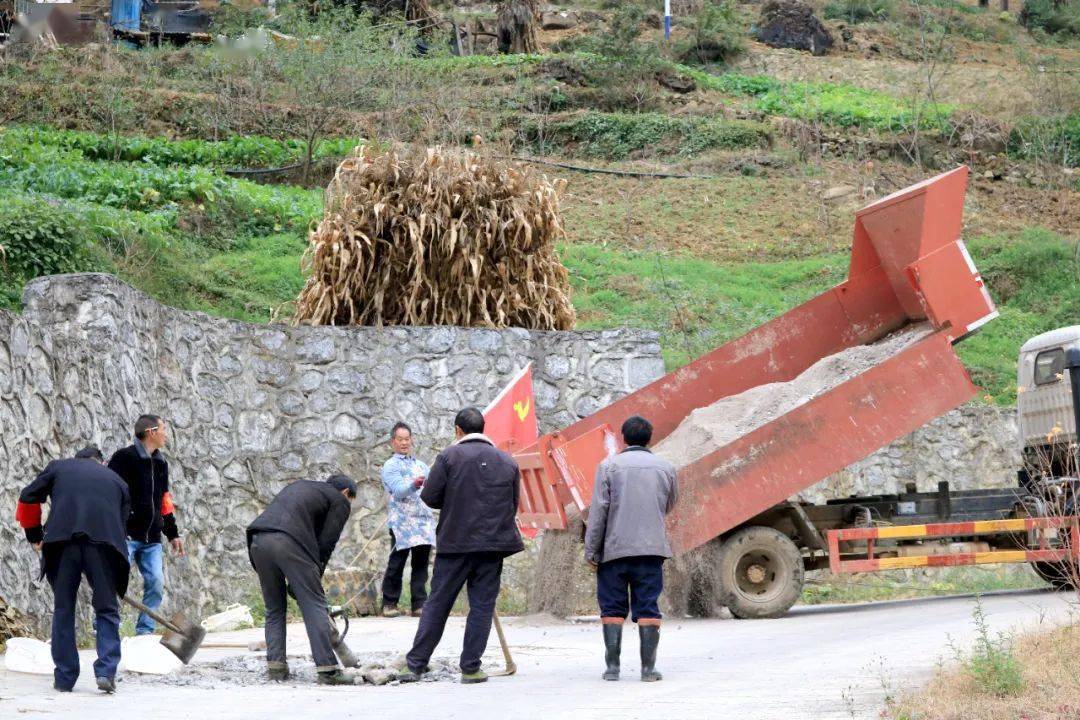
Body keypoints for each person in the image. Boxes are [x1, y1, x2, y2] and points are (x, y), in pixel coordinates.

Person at [398, 407, 524, 685]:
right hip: (492, 547)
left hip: (455, 544)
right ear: (484, 428)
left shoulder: (448, 457)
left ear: (458, 430)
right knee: (481, 606)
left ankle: (415, 665)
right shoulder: (507, 461)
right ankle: (471, 668)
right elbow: (513, 504)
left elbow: (430, 498)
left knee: (438, 603)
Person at [15, 446, 131, 694]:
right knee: (107, 608)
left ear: (76, 460)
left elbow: (27, 497)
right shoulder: (116, 480)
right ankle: (106, 671)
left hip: (62, 543)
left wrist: (34, 534)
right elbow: (121, 528)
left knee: (64, 608)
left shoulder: (59, 467)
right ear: (101, 462)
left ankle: (65, 678)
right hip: (103, 544)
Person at [584, 415, 678, 683]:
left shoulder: (608, 467)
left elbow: (598, 512)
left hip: (614, 550)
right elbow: (669, 503)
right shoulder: (665, 467)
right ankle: (648, 670)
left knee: (612, 607)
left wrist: (592, 550)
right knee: (648, 606)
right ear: (650, 438)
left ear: (623, 438)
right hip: (651, 550)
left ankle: (612, 668)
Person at [246, 474, 357, 685]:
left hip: (258, 540)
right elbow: (327, 543)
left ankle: (276, 668)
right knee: (313, 605)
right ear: (345, 493)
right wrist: (315, 577)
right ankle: (328, 670)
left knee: (275, 608)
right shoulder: (339, 499)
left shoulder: (303, 489)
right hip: (288, 541)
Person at [107, 414, 184, 636]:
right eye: (164, 429)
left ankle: (145, 631)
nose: (166, 434)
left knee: (157, 583)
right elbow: (110, 493)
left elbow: (164, 501)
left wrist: (172, 534)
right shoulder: (123, 458)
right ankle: (105, 625)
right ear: (151, 432)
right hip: (126, 536)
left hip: (152, 539)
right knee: (113, 581)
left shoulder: (161, 462)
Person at [380, 422, 436, 618]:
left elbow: (432, 489)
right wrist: (414, 484)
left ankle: (419, 604)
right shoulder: (390, 466)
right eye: (400, 439)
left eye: (407, 439)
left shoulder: (420, 465)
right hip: (401, 522)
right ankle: (389, 603)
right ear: (393, 442)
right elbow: (399, 491)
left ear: (411, 440)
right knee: (397, 562)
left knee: (421, 564)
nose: (404, 443)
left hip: (423, 521)